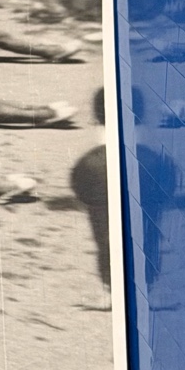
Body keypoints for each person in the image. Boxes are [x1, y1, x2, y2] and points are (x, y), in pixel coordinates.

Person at [70, 89, 112, 309]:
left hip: (98, 170)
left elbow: (80, 186)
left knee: (104, 234)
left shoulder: (91, 161)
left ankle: (110, 289)